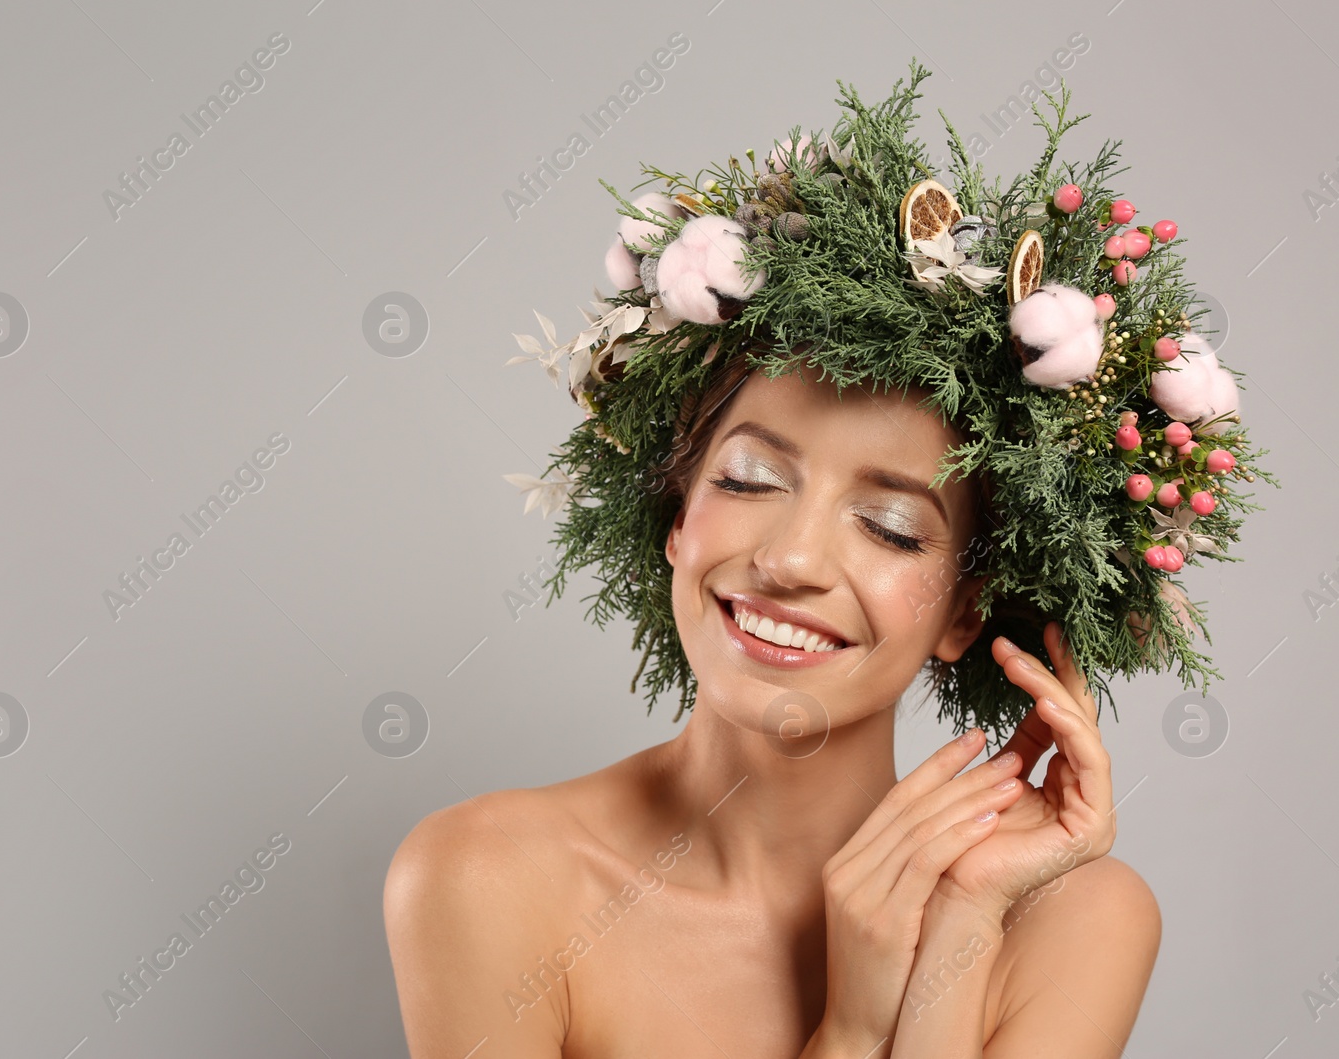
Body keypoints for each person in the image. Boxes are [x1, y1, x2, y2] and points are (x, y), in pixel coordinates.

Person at [387, 62, 1265, 1057]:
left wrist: (960, 931)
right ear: (677, 512)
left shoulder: (1074, 917)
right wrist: (849, 1033)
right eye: (752, 478)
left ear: (963, 612)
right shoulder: (490, 877)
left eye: (890, 527)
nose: (791, 558)